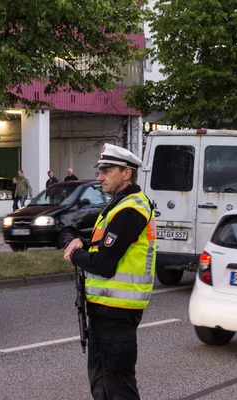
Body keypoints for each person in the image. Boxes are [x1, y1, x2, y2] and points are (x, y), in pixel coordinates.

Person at [63, 143, 156, 400]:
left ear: (126, 173)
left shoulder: (131, 209)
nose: (99, 177)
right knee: (101, 380)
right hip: (104, 310)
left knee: (118, 386)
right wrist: (81, 240)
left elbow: (104, 264)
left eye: (106, 171)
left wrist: (74, 255)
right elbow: (103, 242)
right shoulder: (119, 205)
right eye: (100, 171)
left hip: (118, 313)